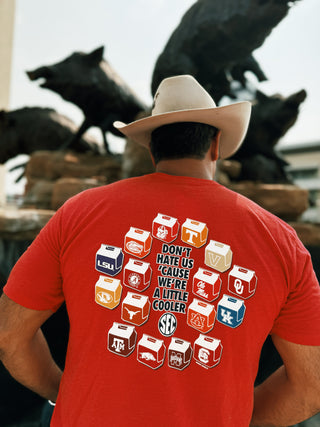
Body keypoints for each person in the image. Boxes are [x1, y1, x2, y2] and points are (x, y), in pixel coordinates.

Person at [0, 74, 319, 427]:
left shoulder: (78, 213)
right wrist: (235, 415)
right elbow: (311, 385)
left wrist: (64, 392)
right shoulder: (282, 242)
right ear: (215, 145)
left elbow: (9, 335)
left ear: (152, 149)